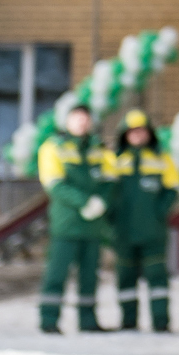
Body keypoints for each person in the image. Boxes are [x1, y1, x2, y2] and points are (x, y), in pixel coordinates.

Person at [36, 102, 112, 335]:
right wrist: (85, 202)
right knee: (57, 274)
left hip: (92, 225)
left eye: (85, 118)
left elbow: (110, 181)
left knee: (89, 276)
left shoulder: (100, 149)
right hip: (66, 224)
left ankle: (88, 321)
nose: (82, 122)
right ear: (66, 121)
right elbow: (54, 184)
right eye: (77, 118)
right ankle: (49, 320)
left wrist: (102, 201)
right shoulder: (53, 147)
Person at [105, 109, 179, 332]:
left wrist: (159, 212)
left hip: (153, 232)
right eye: (132, 132)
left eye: (142, 131)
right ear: (125, 135)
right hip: (124, 232)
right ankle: (128, 322)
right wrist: (111, 218)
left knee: (158, 278)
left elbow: (173, 190)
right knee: (125, 278)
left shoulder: (162, 159)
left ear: (149, 133)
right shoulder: (114, 160)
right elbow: (107, 192)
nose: (137, 136)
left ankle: (161, 322)